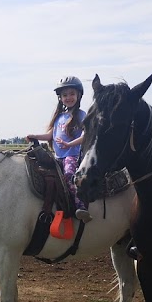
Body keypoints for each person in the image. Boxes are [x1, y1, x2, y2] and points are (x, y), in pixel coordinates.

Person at [25, 75, 92, 223]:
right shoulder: (59, 117)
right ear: (60, 98)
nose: (68, 97)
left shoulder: (82, 115)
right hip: (57, 156)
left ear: (79, 95)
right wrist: (35, 136)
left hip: (72, 155)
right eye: (65, 95)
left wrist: (69, 144)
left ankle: (80, 205)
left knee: (68, 175)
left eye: (72, 94)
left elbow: (86, 136)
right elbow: (50, 135)